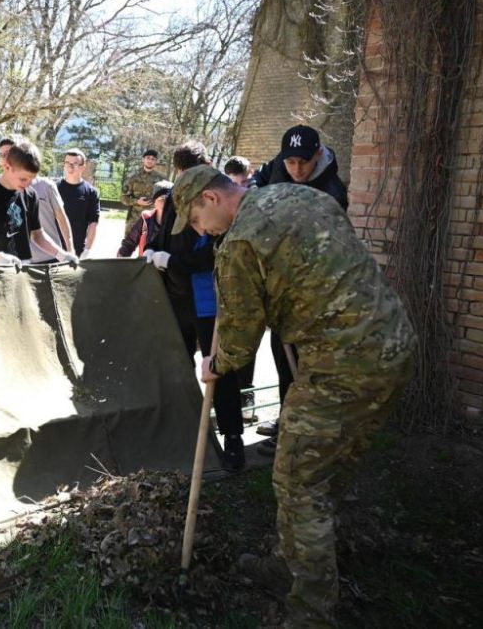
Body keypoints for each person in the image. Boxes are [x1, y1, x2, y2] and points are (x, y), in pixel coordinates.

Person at [172, 164, 415, 628]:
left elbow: (240, 340)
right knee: (325, 472)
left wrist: (214, 364)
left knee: (299, 485)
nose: (201, 232)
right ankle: (291, 562)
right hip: (394, 345)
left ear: (212, 198)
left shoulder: (239, 243)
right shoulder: (300, 195)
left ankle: (311, 613)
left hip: (341, 365)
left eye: (197, 220)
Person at [145, 140, 246, 472]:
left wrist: (173, 262)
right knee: (177, 364)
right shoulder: (176, 196)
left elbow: (213, 254)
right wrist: (153, 250)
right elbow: (163, 232)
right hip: (175, 298)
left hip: (207, 300)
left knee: (219, 369)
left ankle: (232, 437)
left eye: (194, 173)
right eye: (183, 174)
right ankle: (182, 428)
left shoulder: (217, 203)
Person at [252, 125, 349, 457]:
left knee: (304, 367)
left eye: (303, 162)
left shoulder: (332, 194)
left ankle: (300, 433)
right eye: (290, 162)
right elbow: (259, 180)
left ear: (318, 154)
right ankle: (285, 419)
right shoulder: (279, 166)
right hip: (280, 287)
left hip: (312, 292)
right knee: (282, 358)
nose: (296, 169)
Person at [0, 138, 77, 267]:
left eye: (32, 179)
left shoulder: (30, 195)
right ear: (7, 167)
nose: (28, 184)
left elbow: (38, 235)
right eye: (23, 179)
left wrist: (62, 255)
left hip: (22, 270)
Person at [57, 148, 101, 259]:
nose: (70, 167)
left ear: (83, 166)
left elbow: (93, 223)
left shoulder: (91, 192)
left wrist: (87, 250)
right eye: (67, 163)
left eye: (75, 164)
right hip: (55, 249)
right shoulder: (54, 189)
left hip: (77, 250)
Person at [117, 182, 171, 257]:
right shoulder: (146, 218)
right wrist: (121, 255)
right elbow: (130, 242)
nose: (166, 203)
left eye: (169, 200)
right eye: (162, 199)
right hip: (145, 261)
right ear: (154, 201)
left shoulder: (177, 221)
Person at [121, 148, 166, 232]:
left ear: (156, 161)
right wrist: (137, 201)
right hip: (134, 220)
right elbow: (123, 198)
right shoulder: (133, 177)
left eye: (153, 159)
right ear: (143, 159)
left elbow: (165, 199)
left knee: (150, 241)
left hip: (152, 220)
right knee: (129, 240)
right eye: (148, 158)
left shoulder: (161, 179)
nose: (150, 161)